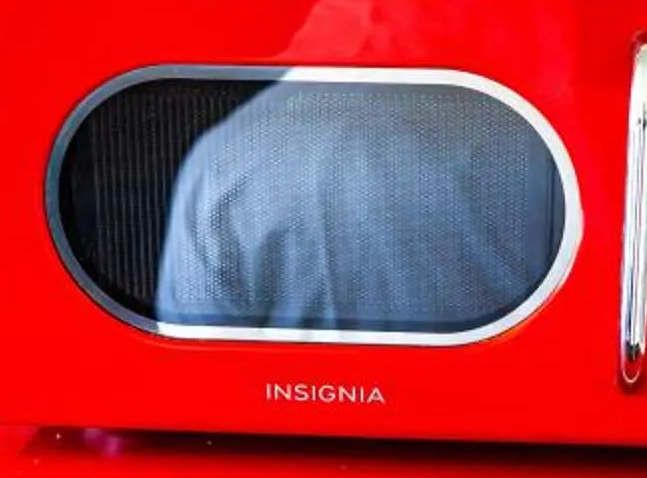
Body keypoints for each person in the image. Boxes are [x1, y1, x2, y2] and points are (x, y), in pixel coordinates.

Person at [153, 75, 569, 336]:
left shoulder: (228, 156)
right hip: (530, 447)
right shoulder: (547, 140)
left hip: (305, 458)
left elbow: (198, 381)